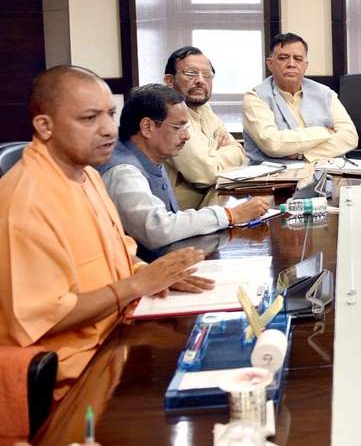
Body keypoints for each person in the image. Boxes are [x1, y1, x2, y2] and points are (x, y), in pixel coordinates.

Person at [0, 66, 211, 399]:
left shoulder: (88, 175)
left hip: (121, 331)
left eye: (110, 114)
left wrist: (156, 274)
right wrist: (137, 285)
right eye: (89, 118)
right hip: (76, 373)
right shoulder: (26, 201)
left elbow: (120, 253)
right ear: (44, 126)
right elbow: (44, 318)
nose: (109, 130)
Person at [99, 83, 269, 259]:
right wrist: (231, 215)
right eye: (177, 127)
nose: (186, 136)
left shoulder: (151, 154)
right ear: (147, 127)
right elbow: (157, 229)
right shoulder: (124, 172)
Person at [243, 32, 358, 164]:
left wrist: (302, 154)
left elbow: (350, 137)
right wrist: (323, 132)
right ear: (270, 64)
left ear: (305, 65)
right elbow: (273, 144)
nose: (291, 64)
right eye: (283, 58)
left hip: (325, 171)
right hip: (275, 174)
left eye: (298, 59)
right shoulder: (255, 97)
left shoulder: (325, 93)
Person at [163, 46, 248, 210]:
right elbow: (206, 174)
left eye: (207, 75)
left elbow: (240, 153)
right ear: (169, 80)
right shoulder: (168, 114)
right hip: (180, 216)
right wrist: (220, 151)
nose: (200, 80)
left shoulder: (204, 109)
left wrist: (213, 156)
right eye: (191, 73)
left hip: (210, 206)